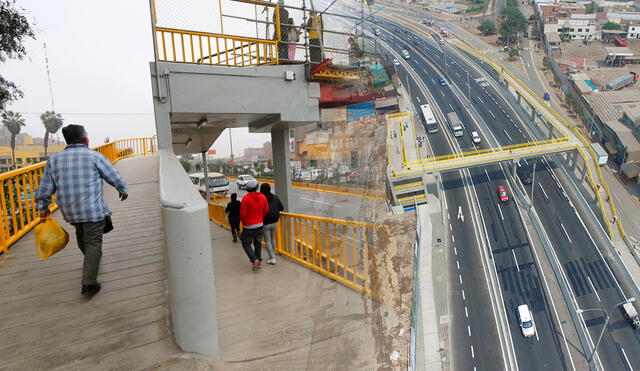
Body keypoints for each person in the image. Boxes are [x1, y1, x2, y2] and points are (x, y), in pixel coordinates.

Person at [36, 124, 128, 297]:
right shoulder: (94, 156)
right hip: (93, 211)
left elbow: (44, 189)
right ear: (85, 139)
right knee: (93, 243)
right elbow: (112, 176)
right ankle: (89, 283)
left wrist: (43, 207)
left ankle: (90, 261)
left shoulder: (54, 160)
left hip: (70, 212)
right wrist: (122, 189)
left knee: (82, 235)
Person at [240, 179, 269, 271]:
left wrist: (244, 222)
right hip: (260, 225)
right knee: (258, 243)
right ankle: (259, 262)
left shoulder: (245, 199)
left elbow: (243, 214)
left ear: (247, 189)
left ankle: (254, 259)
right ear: (256, 188)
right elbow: (266, 210)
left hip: (248, 226)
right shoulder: (263, 197)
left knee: (246, 244)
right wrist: (260, 217)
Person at [260, 183, 284, 265]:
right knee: (273, 238)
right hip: (275, 222)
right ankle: (272, 254)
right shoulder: (275, 197)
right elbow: (282, 208)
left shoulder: (261, 198)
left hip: (265, 222)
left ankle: (272, 258)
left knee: (268, 240)